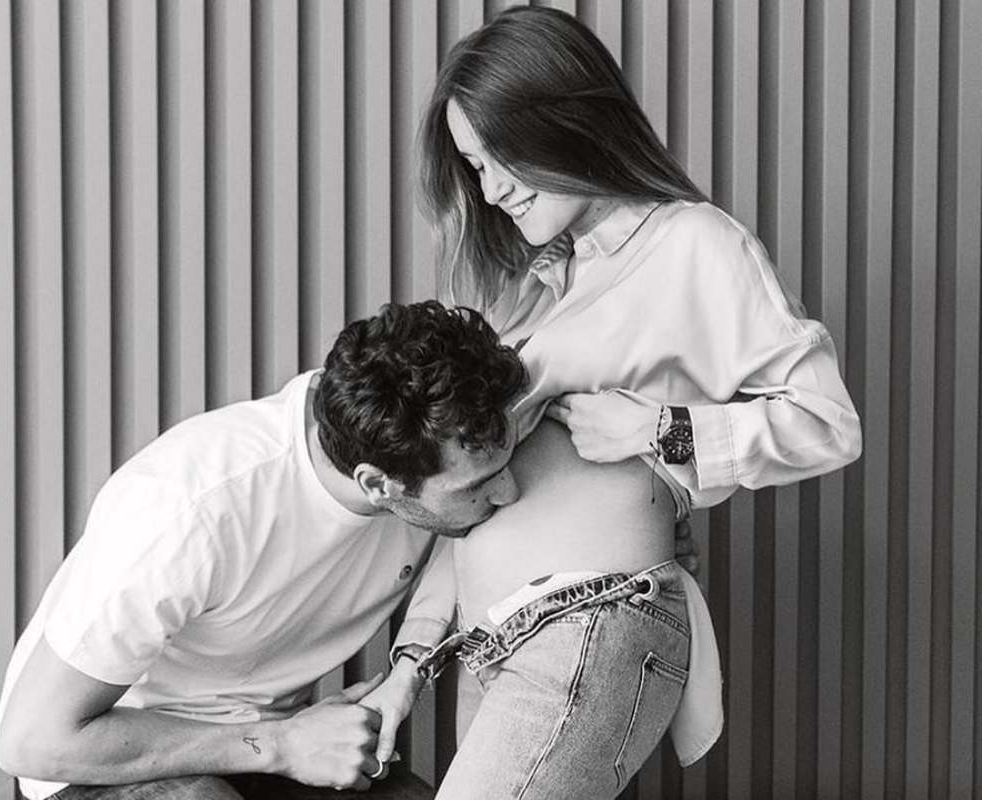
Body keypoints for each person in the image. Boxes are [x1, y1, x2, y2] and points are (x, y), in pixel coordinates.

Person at [363, 7, 863, 799]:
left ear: (566, 122)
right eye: (475, 166)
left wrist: (661, 430)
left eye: (501, 156)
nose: (492, 189)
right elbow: (469, 507)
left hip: (591, 620)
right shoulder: (524, 293)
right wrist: (411, 663)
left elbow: (827, 425)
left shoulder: (694, 243)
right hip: (491, 648)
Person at [0, 300, 528, 800]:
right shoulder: (192, 508)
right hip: (108, 756)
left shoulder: (415, 435)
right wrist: (283, 745)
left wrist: (406, 674)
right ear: (377, 484)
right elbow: (33, 742)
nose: (508, 493)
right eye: (478, 485)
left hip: (267, 740)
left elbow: (454, 557)